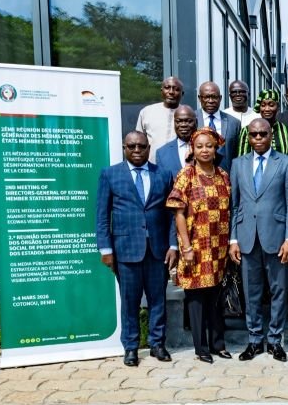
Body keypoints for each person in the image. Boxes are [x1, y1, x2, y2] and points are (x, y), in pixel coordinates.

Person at [96, 131, 177, 366]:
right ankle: (131, 347)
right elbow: (102, 215)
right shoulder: (110, 174)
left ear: (149, 147)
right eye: (132, 146)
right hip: (125, 249)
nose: (137, 150)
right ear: (124, 147)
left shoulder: (162, 174)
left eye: (141, 146)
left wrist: (173, 244)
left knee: (158, 300)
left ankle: (157, 344)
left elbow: (171, 214)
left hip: (157, 250)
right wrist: (105, 249)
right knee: (129, 302)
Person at [229, 118, 288, 363]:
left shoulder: (287, 163)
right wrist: (233, 239)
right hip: (247, 237)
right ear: (248, 137)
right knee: (252, 292)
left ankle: (275, 340)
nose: (258, 138)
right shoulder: (238, 164)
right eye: (254, 134)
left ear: (271, 135)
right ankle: (255, 340)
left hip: (277, 238)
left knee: (279, 291)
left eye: (263, 134)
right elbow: (235, 205)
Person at [166, 128, 232, 363]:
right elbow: (179, 214)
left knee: (216, 298)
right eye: (200, 146)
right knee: (196, 300)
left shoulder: (223, 175)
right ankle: (201, 348)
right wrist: (185, 247)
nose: (205, 150)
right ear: (192, 150)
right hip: (195, 247)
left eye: (209, 146)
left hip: (219, 248)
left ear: (216, 149)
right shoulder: (187, 175)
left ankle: (218, 344)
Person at [135, 76, 184, 161]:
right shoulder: (146, 112)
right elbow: (138, 141)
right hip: (153, 167)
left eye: (176, 89)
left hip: (180, 168)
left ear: (182, 93)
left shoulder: (187, 114)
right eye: (167, 88)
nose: (171, 92)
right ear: (162, 91)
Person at [196, 81, 241, 172]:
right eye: (206, 97)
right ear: (199, 98)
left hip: (226, 179)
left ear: (220, 98)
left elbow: (237, 155)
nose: (211, 101)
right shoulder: (192, 120)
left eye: (214, 97)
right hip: (198, 178)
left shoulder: (234, 123)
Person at [242, 89, 288, 155]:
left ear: (278, 107)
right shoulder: (247, 130)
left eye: (271, 105)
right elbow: (242, 161)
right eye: (263, 105)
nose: (267, 109)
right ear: (259, 107)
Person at [156, 105, 197, 181]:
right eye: (179, 121)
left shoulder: (208, 149)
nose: (183, 125)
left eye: (188, 121)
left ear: (196, 122)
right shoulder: (162, 153)